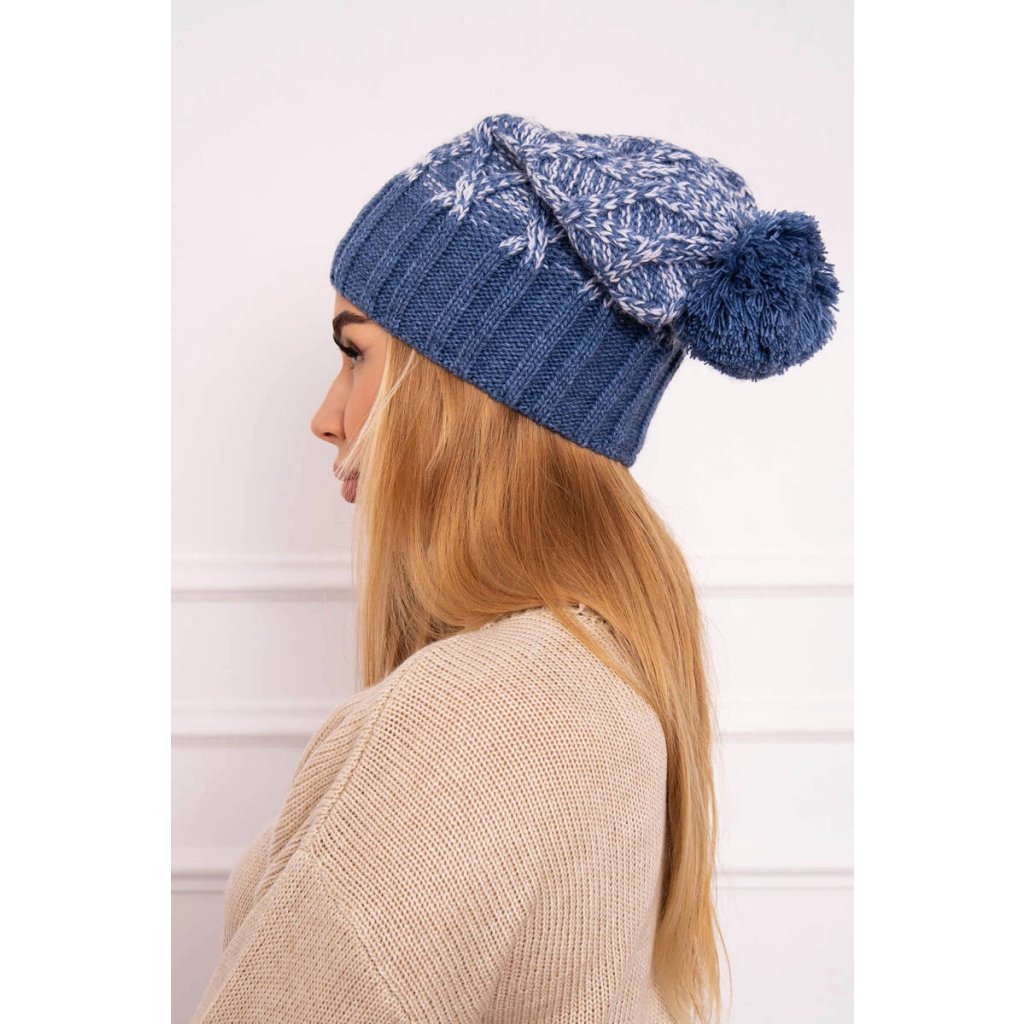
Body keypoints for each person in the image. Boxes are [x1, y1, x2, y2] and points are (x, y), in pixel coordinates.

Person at [190, 112, 841, 1024]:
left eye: (356, 354)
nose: (326, 417)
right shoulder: (591, 666)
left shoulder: (480, 712)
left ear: (466, 391)